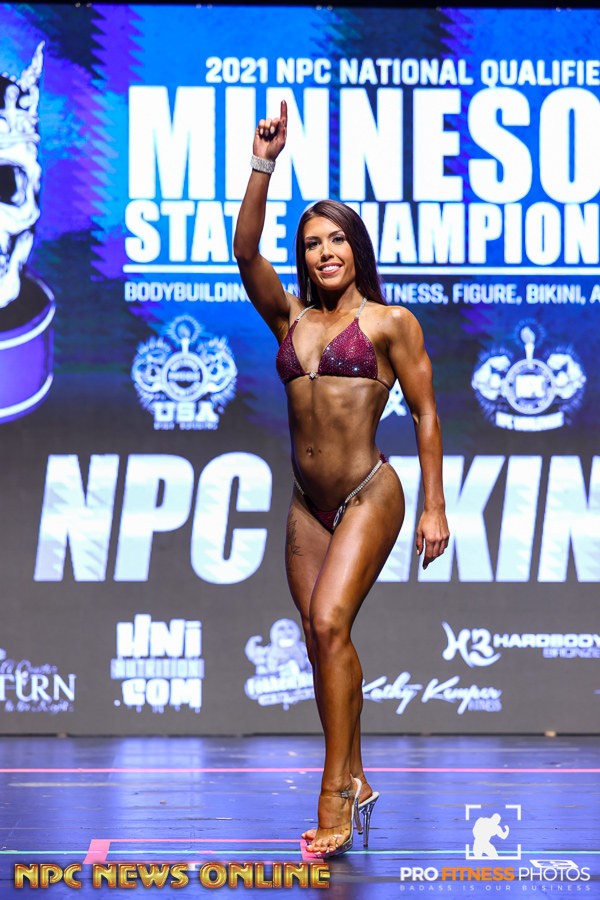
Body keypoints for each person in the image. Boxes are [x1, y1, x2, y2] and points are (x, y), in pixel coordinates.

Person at [234, 100, 450, 859]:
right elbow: (245, 252)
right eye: (312, 244)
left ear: (357, 248)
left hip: (368, 492)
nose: (325, 252)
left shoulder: (392, 323)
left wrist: (434, 507)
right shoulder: (290, 319)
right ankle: (356, 774)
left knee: (329, 624)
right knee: (321, 640)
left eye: (337, 239)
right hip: (307, 505)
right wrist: (262, 164)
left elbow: (425, 413)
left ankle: (333, 795)